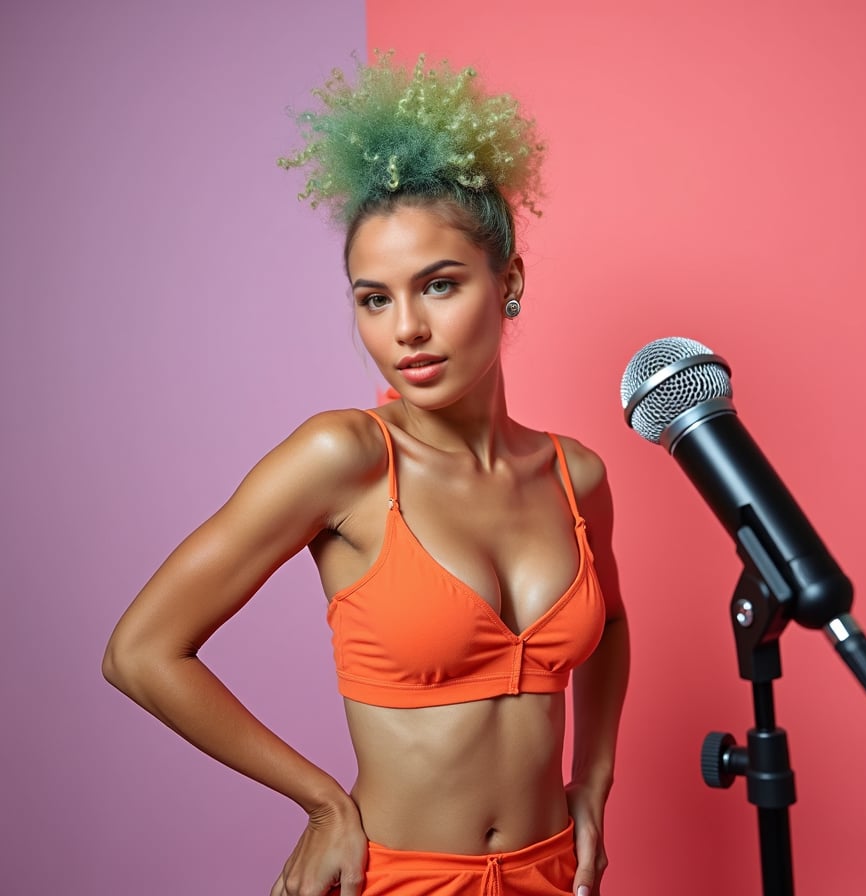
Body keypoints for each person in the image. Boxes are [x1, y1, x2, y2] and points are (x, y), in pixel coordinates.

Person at [103, 51, 630, 896]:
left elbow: (609, 627)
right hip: (399, 877)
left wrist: (594, 784)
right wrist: (320, 804)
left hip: (554, 873)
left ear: (511, 282)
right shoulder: (343, 458)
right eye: (373, 298)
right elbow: (141, 653)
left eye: (441, 285)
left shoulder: (576, 475)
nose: (407, 328)